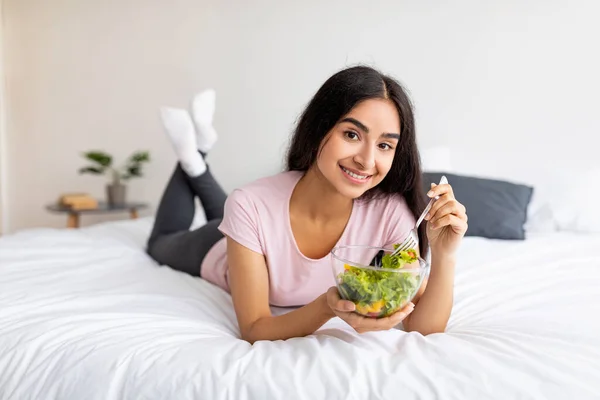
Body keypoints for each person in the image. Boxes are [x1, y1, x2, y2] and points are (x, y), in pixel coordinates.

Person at [147, 65, 468, 344]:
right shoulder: (249, 204)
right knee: (160, 241)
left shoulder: (389, 211)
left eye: (384, 145)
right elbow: (256, 328)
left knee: (228, 207)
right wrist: (325, 308)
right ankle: (193, 157)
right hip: (215, 247)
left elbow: (424, 328)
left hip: (250, 224)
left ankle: (198, 152)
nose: (367, 160)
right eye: (352, 135)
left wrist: (445, 254)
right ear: (318, 129)